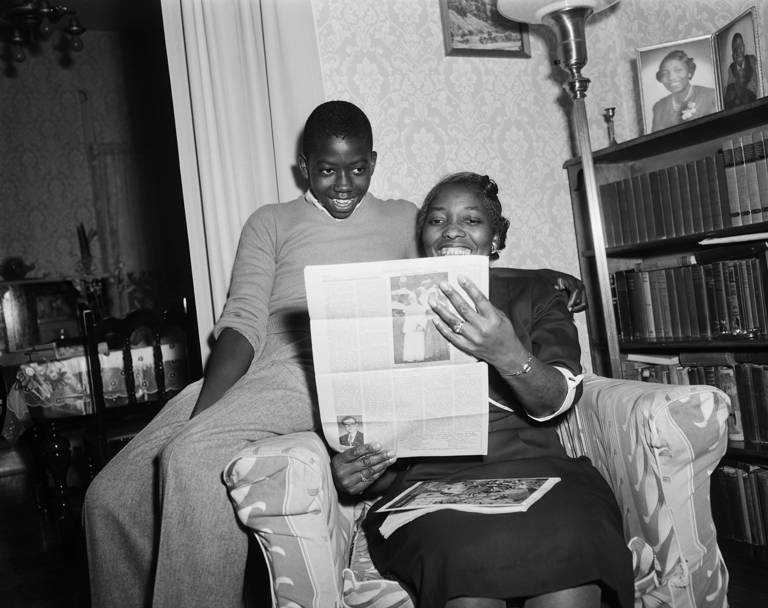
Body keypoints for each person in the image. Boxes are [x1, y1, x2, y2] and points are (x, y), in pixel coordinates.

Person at [82, 100, 420, 608]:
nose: (344, 184)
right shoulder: (270, 221)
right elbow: (242, 321)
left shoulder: (405, 218)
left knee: (192, 458)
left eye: (357, 169)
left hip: (328, 359)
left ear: (373, 161)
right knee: (107, 499)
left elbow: (453, 275)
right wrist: (205, 413)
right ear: (304, 168)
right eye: (328, 170)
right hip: (262, 362)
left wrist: (542, 286)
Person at [331, 172, 633, 608]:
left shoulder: (537, 292)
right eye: (437, 220)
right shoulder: (388, 303)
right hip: (432, 486)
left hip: (544, 474)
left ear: (494, 239)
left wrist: (508, 354)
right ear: (424, 237)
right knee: (467, 579)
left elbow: (557, 400)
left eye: (471, 220)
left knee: (570, 571)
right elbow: (387, 444)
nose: (452, 229)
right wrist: (358, 473)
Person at [651, 49, 717, 132]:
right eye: (665, 73)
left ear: (689, 72)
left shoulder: (711, 96)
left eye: (678, 70)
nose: (672, 77)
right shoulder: (659, 107)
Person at [723, 32, 759, 109]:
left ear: (744, 47)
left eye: (740, 46)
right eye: (735, 47)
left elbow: (752, 90)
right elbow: (730, 90)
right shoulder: (731, 67)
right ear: (732, 54)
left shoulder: (751, 61)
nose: (738, 49)